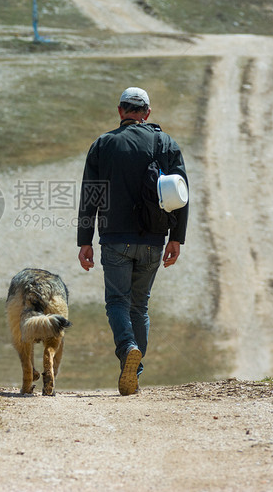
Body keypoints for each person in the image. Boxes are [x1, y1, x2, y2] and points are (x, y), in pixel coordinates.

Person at [77, 86, 188, 396]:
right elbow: (181, 192)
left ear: (120, 111)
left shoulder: (104, 145)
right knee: (139, 307)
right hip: (154, 240)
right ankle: (134, 373)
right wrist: (176, 238)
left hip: (114, 241)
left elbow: (90, 195)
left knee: (117, 301)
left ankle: (127, 348)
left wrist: (84, 240)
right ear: (147, 114)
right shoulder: (166, 143)